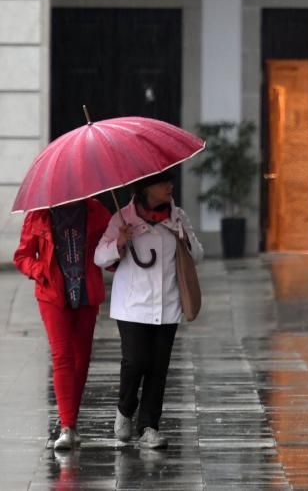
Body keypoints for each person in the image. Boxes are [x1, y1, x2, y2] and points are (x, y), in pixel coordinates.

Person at [94, 170, 203, 449]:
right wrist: (119, 241)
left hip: (167, 304)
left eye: (169, 181)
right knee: (135, 361)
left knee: (158, 368)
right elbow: (99, 256)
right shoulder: (122, 218)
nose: (169, 186)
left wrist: (184, 240)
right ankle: (125, 408)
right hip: (132, 306)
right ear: (145, 189)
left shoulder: (177, 217)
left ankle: (149, 427)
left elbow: (198, 255)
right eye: (162, 182)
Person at [13, 197, 112, 450]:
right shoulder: (39, 215)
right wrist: (39, 271)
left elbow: (108, 256)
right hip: (53, 293)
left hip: (87, 292)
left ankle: (70, 418)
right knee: (62, 356)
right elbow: (22, 256)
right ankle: (67, 427)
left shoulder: (96, 210)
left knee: (82, 359)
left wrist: (121, 241)